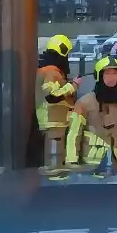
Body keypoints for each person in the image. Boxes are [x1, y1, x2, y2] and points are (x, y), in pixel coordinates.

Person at [35, 35, 82, 168]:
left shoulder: (48, 71)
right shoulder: (51, 72)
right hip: (54, 125)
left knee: (57, 161)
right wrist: (72, 85)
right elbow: (52, 96)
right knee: (54, 164)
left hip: (56, 125)